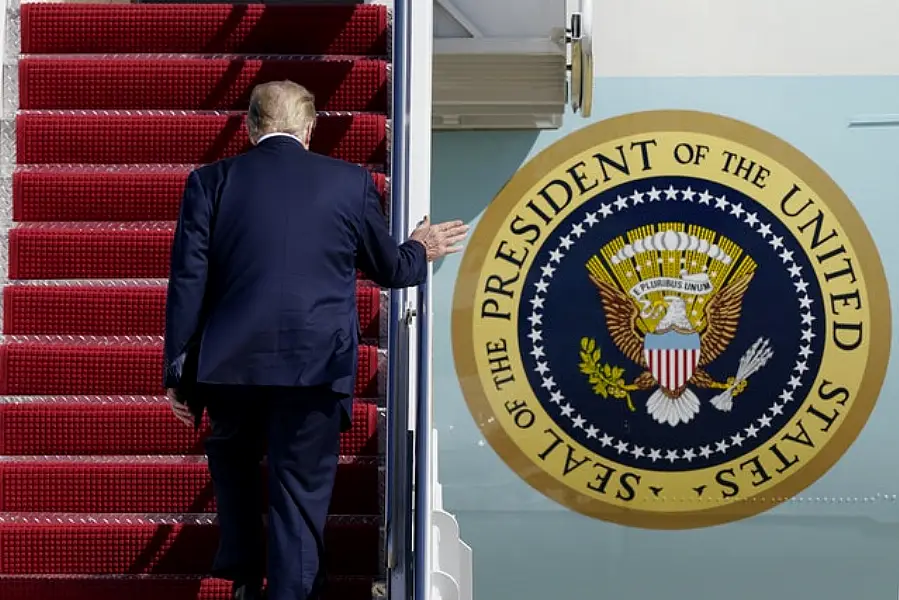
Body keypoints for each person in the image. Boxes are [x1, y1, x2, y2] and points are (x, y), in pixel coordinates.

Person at [162, 80, 469, 600]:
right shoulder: (349, 183)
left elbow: (189, 281)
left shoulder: (210, 181)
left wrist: (179, 374)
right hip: (315, 365)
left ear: (251, 126)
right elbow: (390, 269)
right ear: (309, 129)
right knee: (298, 495)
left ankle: (240, 579)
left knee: (235, 479)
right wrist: (419, 247)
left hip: (230, 365)